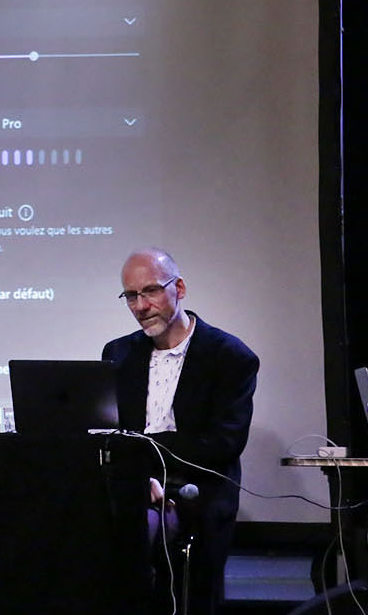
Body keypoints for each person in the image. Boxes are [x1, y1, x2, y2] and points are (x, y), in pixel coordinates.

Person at [102, 248, 259, 615]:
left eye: (151, 291)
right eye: (131, 296)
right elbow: (113, 433)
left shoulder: (229, 356)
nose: (141, 306)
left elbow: (224, 443)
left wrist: (151, 462)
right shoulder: (120, 353)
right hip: (130, 488)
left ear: (180, 288)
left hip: (195, 491)